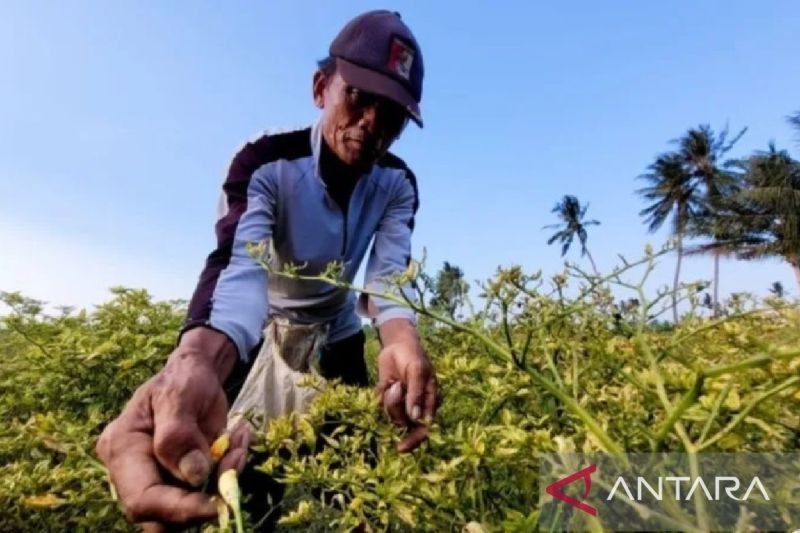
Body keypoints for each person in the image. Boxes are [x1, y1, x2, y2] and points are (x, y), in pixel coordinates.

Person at [95, 9, 438, 531]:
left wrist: (403, 343)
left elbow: (387, 280)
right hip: (260, 336)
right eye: (358, 98)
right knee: (248, 483)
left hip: (339, 337)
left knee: (358, 482)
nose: (371, 123)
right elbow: (240, 270)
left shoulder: (397, 184)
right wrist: (197, 363)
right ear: (321, 87)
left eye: (391, 114)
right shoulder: (266, 163)